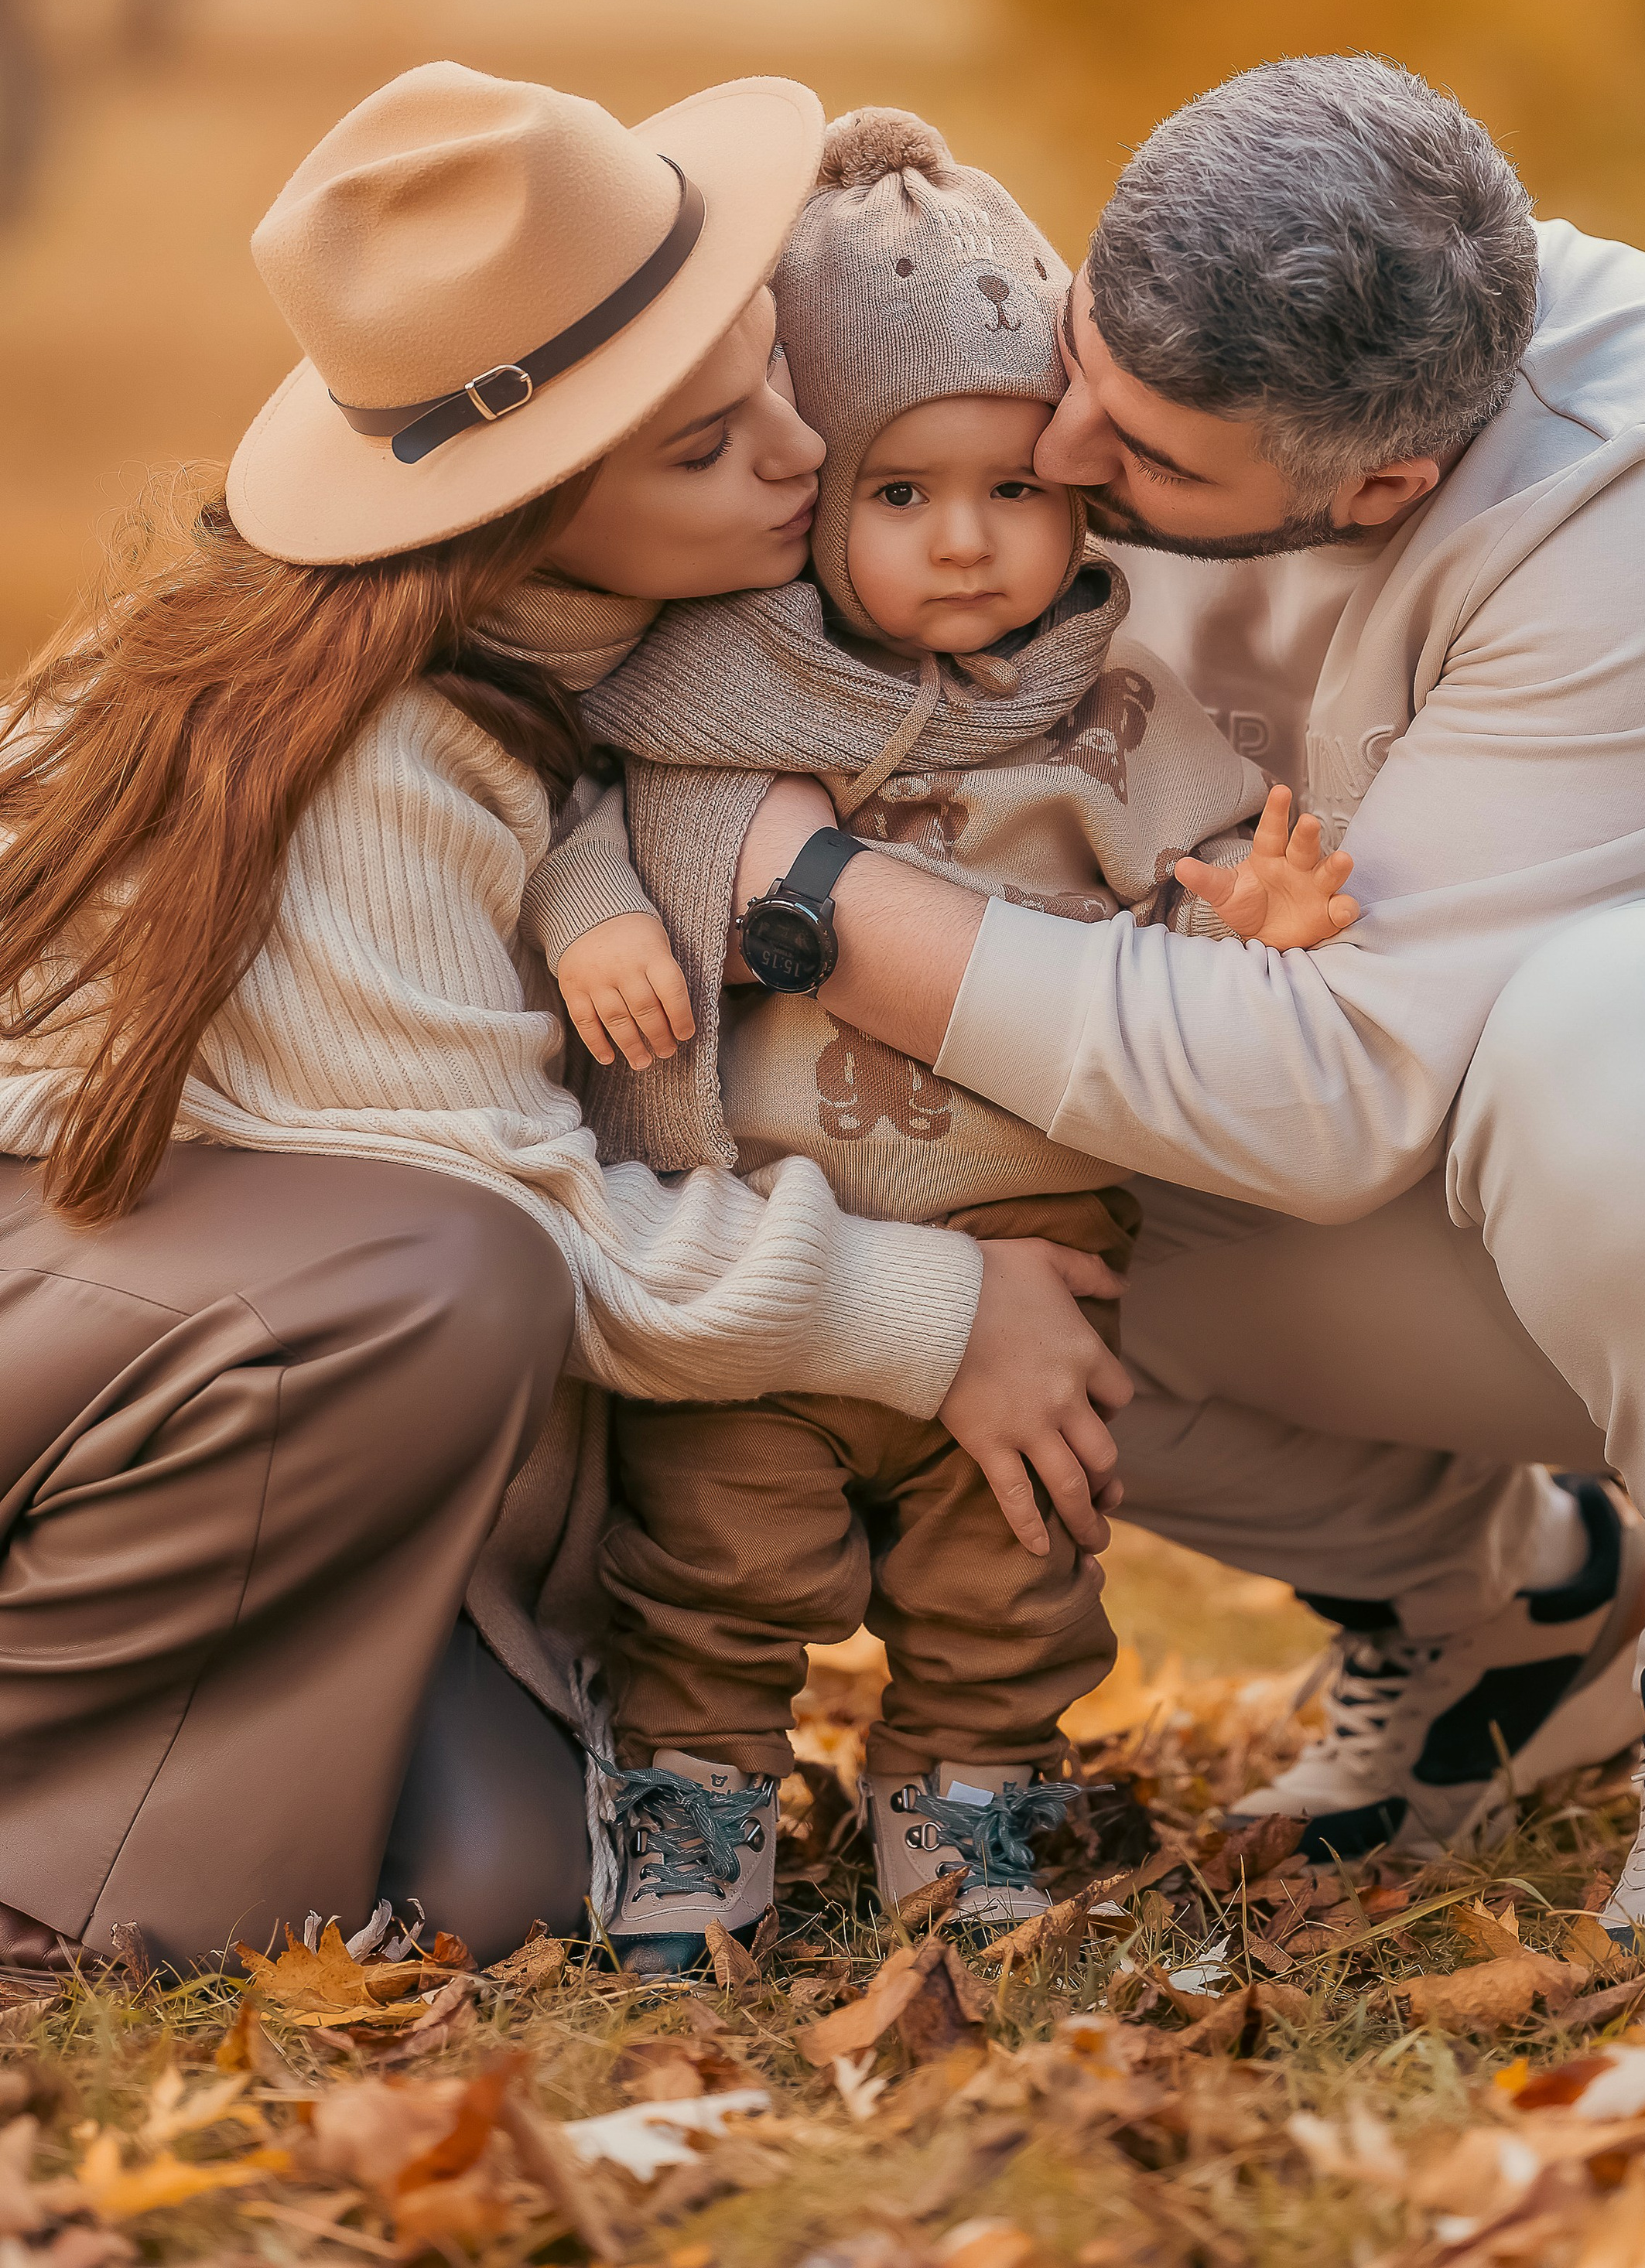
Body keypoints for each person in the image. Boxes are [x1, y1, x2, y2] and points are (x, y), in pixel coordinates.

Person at [727, 53, 1645, 1952]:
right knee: (886, 1172)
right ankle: (1502, 1607)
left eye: (1144, 462)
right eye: (1081, 359)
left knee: (1636, 1022)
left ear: (1382, 483)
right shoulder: (1170, 390)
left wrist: (804, 895)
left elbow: (1318, 1102)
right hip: (1533, 1172)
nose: (1064, 458)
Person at [0, 60, 1130, 1980]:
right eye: (701, 451)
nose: (795, 456)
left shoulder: (577, 658)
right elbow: (520, 1223)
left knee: (506, 1891)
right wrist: (946, 1316)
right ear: (518, 522)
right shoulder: (375, 759)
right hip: (113, 1334)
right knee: (446, 1269)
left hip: (234, 1395)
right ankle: (55, 1893)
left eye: (768, 376)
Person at [522, 105, 1358, 1966]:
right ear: (814, 502)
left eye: (1014, 489)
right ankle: (689, 1799)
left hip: (1026, 1248)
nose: (969, 545)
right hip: (760, 1238)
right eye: (899, 498)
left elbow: (1201, 868)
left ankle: (969, 1797)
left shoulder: (1109, 707)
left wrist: (1257, 907)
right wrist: (594, 931)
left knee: (1016, 1562)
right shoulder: (715, 690)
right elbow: (591, 828)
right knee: (713, 1560)